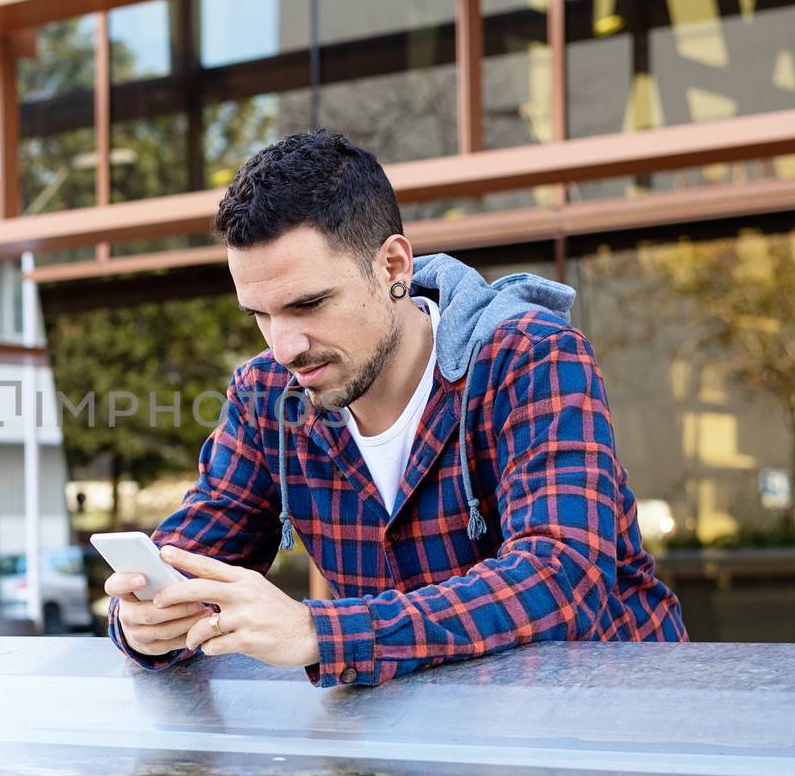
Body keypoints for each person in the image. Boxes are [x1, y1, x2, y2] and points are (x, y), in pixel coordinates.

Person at [106, 130, 686, 687]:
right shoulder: (268, 399)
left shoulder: (528, 357)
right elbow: (189, 557)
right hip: (409, 747)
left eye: (309, 304)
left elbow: (561, 579)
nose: (284, 347)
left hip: (605, 732)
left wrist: (320, 632)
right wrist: (144, 623)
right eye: (259, 314)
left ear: (393, 267)